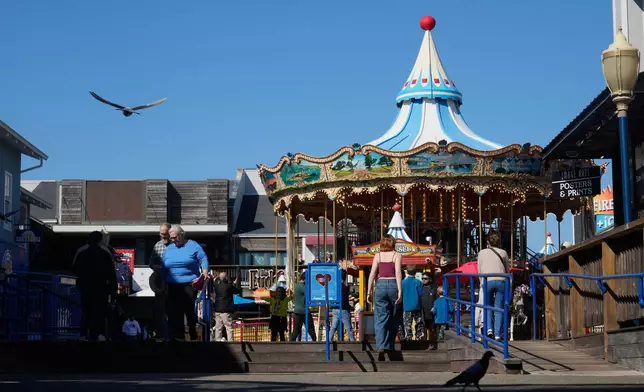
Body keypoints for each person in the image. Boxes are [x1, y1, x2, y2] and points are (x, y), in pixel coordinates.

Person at [161, 224, 209, 341]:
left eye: (175, 237)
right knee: (174, 310)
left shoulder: (193, 245)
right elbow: (163, 266)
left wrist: (205, 272)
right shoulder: (169, 249)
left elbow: (203, 258)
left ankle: (192, 329)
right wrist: (163, 282)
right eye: (171, 238)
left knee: (187, 308)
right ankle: (178, 335)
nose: (173, 240)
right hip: (172, 283)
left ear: (182, 235)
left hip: (189, 283)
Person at [72, 231, 117, 341]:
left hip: (85, 288)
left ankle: (83, 334)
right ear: (100, 240)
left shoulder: (81, 252)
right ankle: (99, 334)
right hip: (101, 288)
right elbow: (111, 273)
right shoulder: (105, 252)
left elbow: (74, 269)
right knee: (99, 312)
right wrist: (113, 291)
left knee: (86, 311)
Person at [366, 235, 403, 353]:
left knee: (381, 317)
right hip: (393, 283)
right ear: (393, 243)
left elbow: (372, 274)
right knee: (394, 316)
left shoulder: (378, 255)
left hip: (380, 284)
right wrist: (400, 290)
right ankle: (390, 345)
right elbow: (398, 272)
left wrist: (369, 291)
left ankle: (381, 345)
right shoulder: (396, 255)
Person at [476, 229, 509, 341]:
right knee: (498, 307)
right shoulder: (503, 253)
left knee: (488, 306)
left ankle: (489, 329)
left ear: (488, 242)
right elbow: (507, 270)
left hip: (487, 280)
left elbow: (479, 270)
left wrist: (481, 282)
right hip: (501, 280)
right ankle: (497, 334)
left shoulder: (481, 253)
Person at [149, 223, 171, 339]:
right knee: (160, 309)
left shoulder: (177, 245)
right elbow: (151, 263)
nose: (161, 236)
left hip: (174, 281)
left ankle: (174, 334)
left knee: (174, 308)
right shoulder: (157, 245)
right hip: (161, 280)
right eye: (160, 233)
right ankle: (160, 334)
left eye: (164, 234)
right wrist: (158, 267)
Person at [212, 271, 241, 341]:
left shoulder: (216, 286)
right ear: (226, 278)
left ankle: (217, 342)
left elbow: (225, 287)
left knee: (218, 328)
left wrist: (231, 283)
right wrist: (235, 283)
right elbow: (237, 291)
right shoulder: (229, 286)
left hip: (217, 310)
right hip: (226, 310)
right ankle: (231, 342)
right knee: (229, 328)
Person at [290, 271, 317, 342]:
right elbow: (310, 295)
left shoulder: (297, 285)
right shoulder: (303, 286)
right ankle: (315, 342)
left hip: (297, 311)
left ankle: (290, 343)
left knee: (296, 330)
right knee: (311, 329)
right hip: (304, 311)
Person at [329, 271, 355, 341]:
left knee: (333, 327)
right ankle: (353, 343)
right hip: (343, 310)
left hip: (334, 309)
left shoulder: (334, 286)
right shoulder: (344, 287)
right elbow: (344, 301)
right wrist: (351, 307)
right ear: (344, 277)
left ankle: (328, 341)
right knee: (348, 328)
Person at [401, 266, 424, 341]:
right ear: (415, 272)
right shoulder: (418, 282)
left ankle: (408, 337)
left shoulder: (403, 282)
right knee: (419, 322)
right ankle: (419, 336)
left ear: (406, 272)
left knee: (407, 323)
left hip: (407, 306)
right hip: (417, 306)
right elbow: (421, 294)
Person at [421, 272, 438, 348]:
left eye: (425, 278)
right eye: (422, 278)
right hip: (422, 312)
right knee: (423, 329)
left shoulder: (434, 289)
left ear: (430, 279)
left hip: (431, 313)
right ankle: (424, 345)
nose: (423, 280)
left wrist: (435, 307)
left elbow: (437, 299)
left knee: (432, 329)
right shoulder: (420, 288)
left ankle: (432, 344)